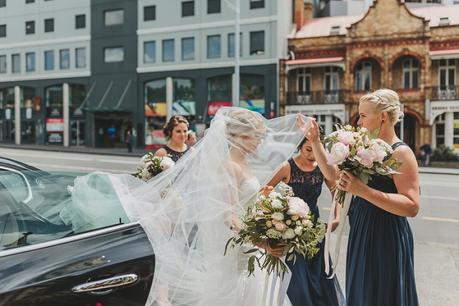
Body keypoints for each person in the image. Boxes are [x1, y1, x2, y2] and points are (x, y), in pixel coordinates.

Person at [106, 108, 312, 306]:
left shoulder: (242, 163)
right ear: (240, 136)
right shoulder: (228, 167)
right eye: (256, 137)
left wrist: (265, 204)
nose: (260, 142)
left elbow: (242, 201)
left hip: (249, 247)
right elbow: (228, 216)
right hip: (237, 248)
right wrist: (262, 243)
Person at [337, 89, 420, 306]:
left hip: (386, 235)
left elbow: (412, 206)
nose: (359, 122)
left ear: (383, 116)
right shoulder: (364, 148)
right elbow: (334, 177)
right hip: (362, 230)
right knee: (363, 291)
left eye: (363, 116)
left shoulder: (400, 153)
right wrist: (316, 142)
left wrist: (362, 191)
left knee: (381, 294)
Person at [265, 121, 344, 306]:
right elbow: (264, 191)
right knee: (298, 277)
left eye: (315, 149)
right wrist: (275, 216)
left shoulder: (322, 168)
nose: (312, 154)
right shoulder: (287, 166)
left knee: (320, 275)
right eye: (308, 149)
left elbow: (337, 194)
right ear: (300, 146)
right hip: (292, 229)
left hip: (315, 228)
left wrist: (337, 218)